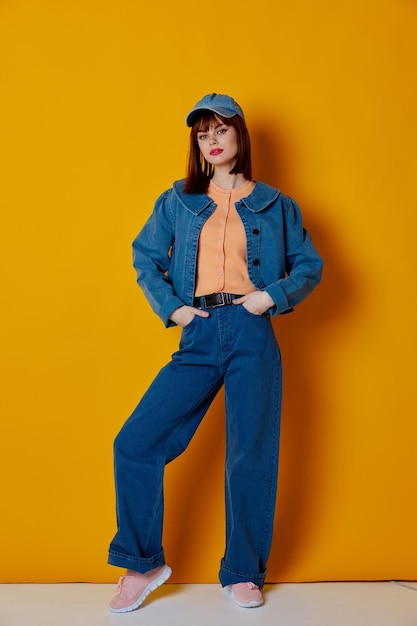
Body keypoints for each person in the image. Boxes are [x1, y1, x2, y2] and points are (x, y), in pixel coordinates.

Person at [107, 93, 323, 612]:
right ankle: (142, 563)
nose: (212, 141)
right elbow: (145, 257)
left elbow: (308, 264)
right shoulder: (178, 200)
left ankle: (244, 571)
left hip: (252, 330)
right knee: (135, 442)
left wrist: (271, 296)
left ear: (240, 136)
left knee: (250, 454)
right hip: (200, 331)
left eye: (220, 130)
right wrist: (176, 310)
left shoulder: (275, 203)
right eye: (203, 134)